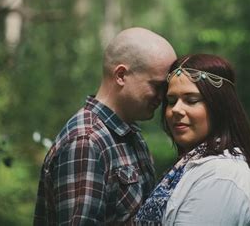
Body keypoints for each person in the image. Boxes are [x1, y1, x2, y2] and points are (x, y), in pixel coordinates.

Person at [33, 27, 177, 225]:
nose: (162, 97)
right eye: (156, 86)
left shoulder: (128, 134)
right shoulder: (86, 141)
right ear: (120, 75)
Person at [134, 54, 250, 226]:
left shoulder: (221, 177)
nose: (176, 110)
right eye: (171, 101)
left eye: (191, 100)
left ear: (219, 107)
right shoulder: (191, 167)